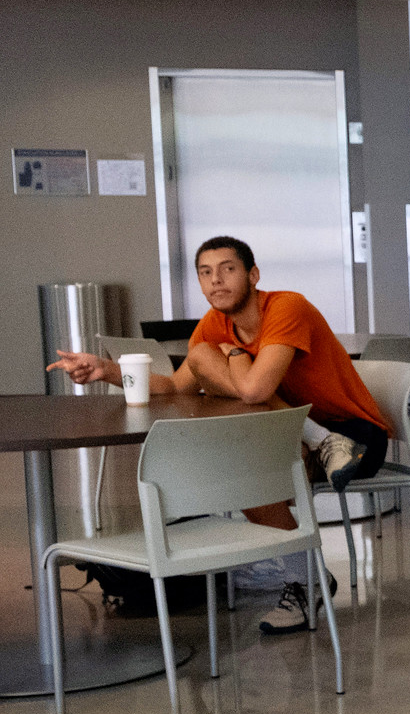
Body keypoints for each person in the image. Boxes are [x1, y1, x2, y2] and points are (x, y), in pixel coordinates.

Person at [46, 236, 390, 635]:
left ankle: (306, 574)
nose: (216, 281)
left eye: (228, 269)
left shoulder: (286, 306)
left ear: (253, 275)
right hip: (295, 431)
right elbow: (177, 387)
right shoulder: (214, 325)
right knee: (233, 454)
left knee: (245, 466)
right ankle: (309, 576)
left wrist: (236, 354)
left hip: (356, 438)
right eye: (205, 273)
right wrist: (106, 371)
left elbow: (255, 391)